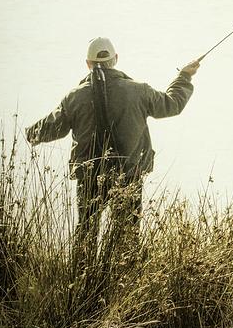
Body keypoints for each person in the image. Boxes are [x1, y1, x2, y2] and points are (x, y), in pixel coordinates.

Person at [25, 37, 200, 261]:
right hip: (129, 176)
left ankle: (81, 284)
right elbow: (172, 104)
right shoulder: (140, 91)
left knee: (86, 235)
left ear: (87, 63)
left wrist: (28, 133)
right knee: (127, 239)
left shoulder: (74, 97)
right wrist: (184, 76)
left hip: (89, 178)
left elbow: (50, 129)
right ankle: (123, 285)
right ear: (115, 59)